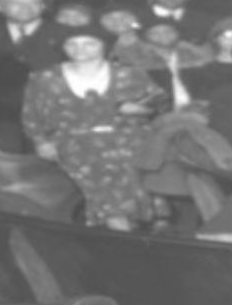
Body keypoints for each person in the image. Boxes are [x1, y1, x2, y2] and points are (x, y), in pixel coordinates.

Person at [22, 28, 161, 231]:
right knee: (97, 161)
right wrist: (41, 142)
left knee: (130, 162)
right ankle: (117, 223)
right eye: (72, 44)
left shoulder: (130, 74)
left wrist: (140, 109)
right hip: (72, 139)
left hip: (127, 135)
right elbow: (31, 114)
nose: (80, 49)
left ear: (104, 46)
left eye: (89, 43)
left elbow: (159, 103)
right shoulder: (45, 78)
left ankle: (132, 219)